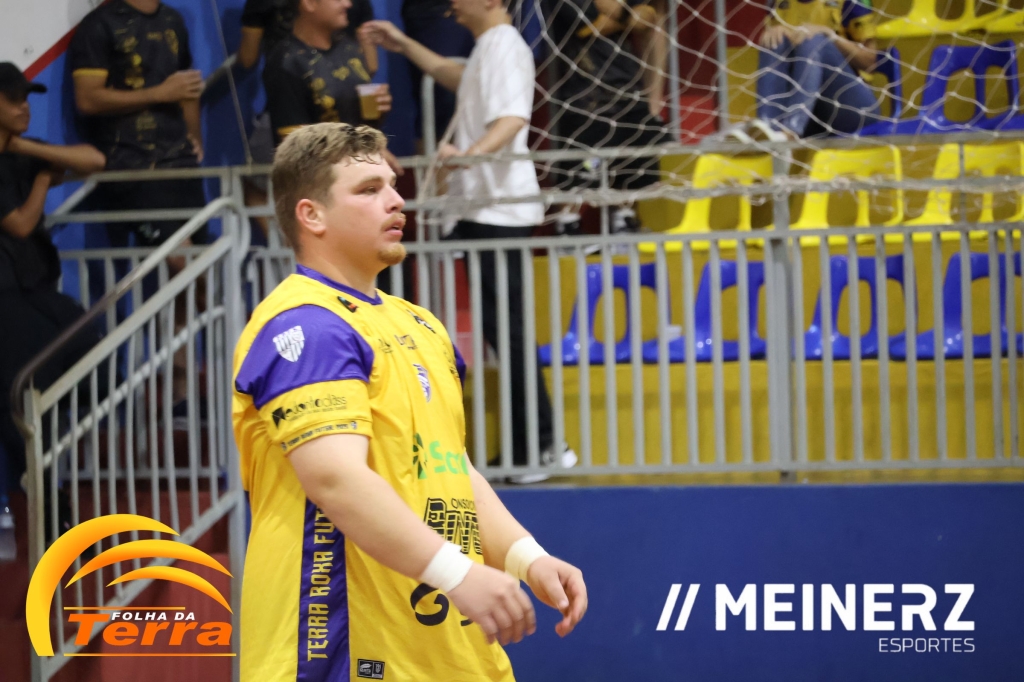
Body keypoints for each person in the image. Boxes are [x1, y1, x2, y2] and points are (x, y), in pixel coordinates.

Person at [232, 123, 588, 680]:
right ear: (312, 215)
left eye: (393, 185)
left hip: (451, 654)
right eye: (369, 189)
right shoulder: (307, 325)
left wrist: (527, 557)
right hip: (339, 653)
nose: (396, 200)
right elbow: (335, 479)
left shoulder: (420, 324)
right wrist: (459, 574)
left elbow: (450, 466)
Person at [361, 4, 578, 482]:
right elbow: (456, 76)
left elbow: (512, 119)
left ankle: (543, 444)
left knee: (510, 333)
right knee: (503, 333)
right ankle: (532, 444)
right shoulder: (489, 48)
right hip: (484, 210)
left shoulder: (505, 46)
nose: (452, 4)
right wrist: (404, 44)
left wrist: (467, 155)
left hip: (499, 212)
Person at [0, 63, 106, 559]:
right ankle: (44, 516)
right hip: (7, 300)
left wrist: (28, 150)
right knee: (18, 408)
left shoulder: (20, 152)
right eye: (13, 99)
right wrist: (43, 178)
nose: (24, 106)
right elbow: (21, 224)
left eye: (27, 97)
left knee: (85, 347)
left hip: (32, 291)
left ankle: (50, 499)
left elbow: (94, 160)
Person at [69, 0, 208, 251]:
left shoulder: (173, 20)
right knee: (181, 257)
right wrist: (158, 94)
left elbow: (187, 86)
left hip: (180, 162)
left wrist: (194, 137)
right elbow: (87, 99)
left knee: (203, 257)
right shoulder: (99, 25)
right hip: (132, 164)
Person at [542, 0, 670, 231]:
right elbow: (594, 26)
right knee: (576, 179)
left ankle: (624, 223)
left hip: (629, 91)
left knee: (632, 176)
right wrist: (630, 17)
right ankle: (568, 230)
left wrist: (654, 101)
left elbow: (649, 19)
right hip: (583, 99)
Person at [754, 0, 881, 139]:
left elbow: (871, 63)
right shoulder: (776, 3)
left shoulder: (851, 2)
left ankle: (791, 130)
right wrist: (776, 32)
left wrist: (830, 36)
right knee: (774, 39)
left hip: (852, 110)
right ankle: (769, 128)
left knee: (813, 40)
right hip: (811, 119)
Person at [399, 0, 476, 147]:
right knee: (443, 101)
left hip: (485, 9)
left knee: (484, 90)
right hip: (436, 8)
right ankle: (439, 160)